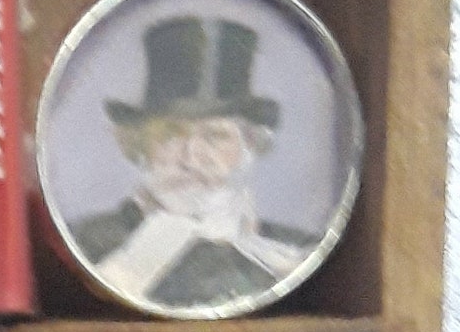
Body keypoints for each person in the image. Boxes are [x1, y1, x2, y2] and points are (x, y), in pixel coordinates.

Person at [71, 16, 316, 311]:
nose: (191, 158)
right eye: (171, 134)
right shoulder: (86, 245)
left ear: (250, 145)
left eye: (215, 136)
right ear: (139, 144)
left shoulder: (294, 255)